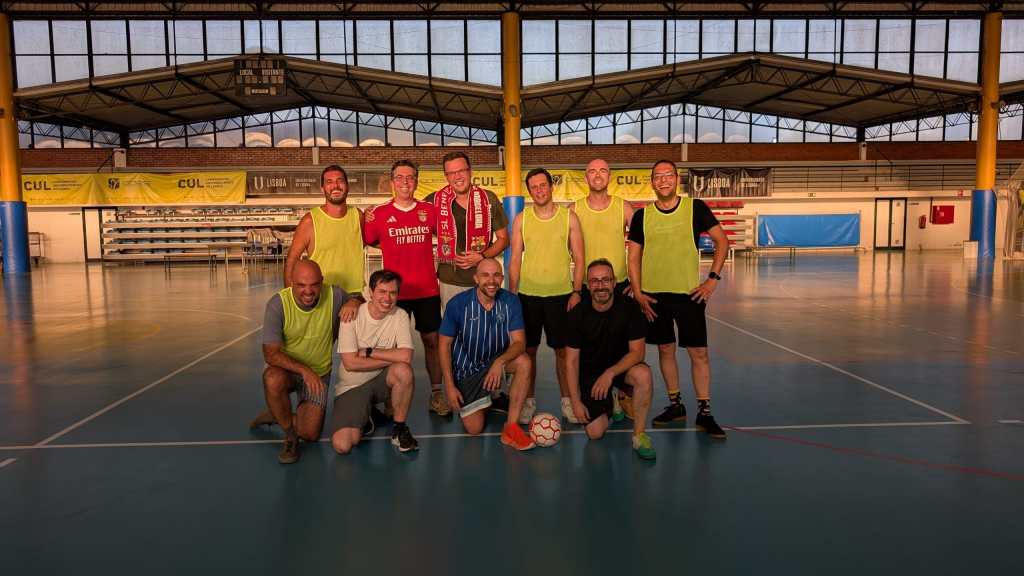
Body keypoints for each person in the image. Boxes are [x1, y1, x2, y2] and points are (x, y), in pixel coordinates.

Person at [627, 159, 729, 439]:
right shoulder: (641, 216)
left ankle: (705, 412)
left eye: (668, 175)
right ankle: (676, 405)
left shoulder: (695, 208)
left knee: (699, 353)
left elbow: (723, 241)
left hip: (688, 295)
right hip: (653, 297)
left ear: (676, 179)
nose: (663, 180)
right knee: (665, 350)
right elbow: (633, 257)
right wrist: (637, 292)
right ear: (652, 182)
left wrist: (712, 280)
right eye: (657, 176)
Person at [252, 259, 360, 464]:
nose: (308, 291)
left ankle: (277, 414)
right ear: (291, 282)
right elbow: (271, 354)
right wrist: (304, 371)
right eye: (301, 285)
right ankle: (290, 436)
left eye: (314, 285)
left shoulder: (335, 295)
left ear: (322, 281)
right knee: (272, 378)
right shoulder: (278, 304)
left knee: (310, 434)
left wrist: (355, 301)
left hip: (319, 373)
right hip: (289, 371)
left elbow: (362, 301)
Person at [363, 160, 449, 417]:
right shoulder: (377, 214)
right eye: (400, 177)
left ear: (416, 181)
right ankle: (389, 397)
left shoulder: (429, 210)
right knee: (390, 346)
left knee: (432, 342)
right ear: (392, 182)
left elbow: (447, 235)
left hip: (426, 291)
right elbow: (369, 240)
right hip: (393, 294)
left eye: (410, 177)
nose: (405, 182)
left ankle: (436, 394)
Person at [508, 168, 584, 425]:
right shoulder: (522, 219)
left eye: (543, 185)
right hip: (528, 296)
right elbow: (515, 258)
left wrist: (577, 290)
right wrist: (513, 294)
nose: (539, 190)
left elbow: (580, 258)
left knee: (563, 353)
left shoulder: (569, 218)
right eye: (534, 187)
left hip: (561, 296)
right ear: (529, 191)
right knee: (527, 352)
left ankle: (568, 401)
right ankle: (527, 401)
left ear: (551, 187)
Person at [438, 258, 536, 450]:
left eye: (496, 275)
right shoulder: (458, 304)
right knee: (474, 429)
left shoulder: (510, 301)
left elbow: (519, 343)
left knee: (524, 362)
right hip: (468, 371)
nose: (491, 281)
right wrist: (449, 386)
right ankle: (486, 399)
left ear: (502, 278)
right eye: (485, 275)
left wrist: (499, 362)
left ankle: (511, 427)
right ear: (476, 278)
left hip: (496, 363)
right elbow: (444, 346)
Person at [565, 259, 656, 459]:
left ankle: (639, 435)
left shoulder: (630, 308)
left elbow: (638, 353)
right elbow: (571, 362)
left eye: (605, 280)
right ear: (587, 286)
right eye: (595, 281)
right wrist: (575, 401)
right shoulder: (577, 314)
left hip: (620, 368)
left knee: (643, 374)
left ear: (614, 283)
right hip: (591, 373)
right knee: (595, 433)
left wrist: (610, 373)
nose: (601, 286)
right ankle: (612, 401)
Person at [330, 269, 419, 454]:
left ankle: (399, 428)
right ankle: (367, 414)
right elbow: (350, 364)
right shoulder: (351, 315)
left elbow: (406, 357)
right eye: (382, 291)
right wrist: (390, 356)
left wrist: (369, 352)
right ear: (370, 293)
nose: (387, 298)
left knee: (403, 371)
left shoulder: (400, 315)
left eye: (393, 292)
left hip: (383, 381)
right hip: (352, 385)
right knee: (343, 445)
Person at [424, 151, 508, 311]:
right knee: (454, 329)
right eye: (451, 173)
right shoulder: (434, 200)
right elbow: (409, 213)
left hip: (483, 279)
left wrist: (482, 257)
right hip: (449, 280)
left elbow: (504, 239)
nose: (457, 176)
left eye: (461, 171)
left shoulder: (488, 199)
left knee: (483, 328)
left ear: (470, 171)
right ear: (446, 176)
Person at [285, 164, 365, 296]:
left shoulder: (358, 215)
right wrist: (289, 298)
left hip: (354, 295)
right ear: (322, 189)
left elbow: (369, 241)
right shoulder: (309, 221)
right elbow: (292, 260)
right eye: (329, 182)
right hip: (323, 295)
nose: (335, 186)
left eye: (340, 180)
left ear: (348, 186)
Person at [573, 158, 635, 294]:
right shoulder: (573, 210)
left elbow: (641, 246)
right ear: (586, 178)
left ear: (609, 176)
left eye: (602, 171)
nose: (597, 175)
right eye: (592, 171)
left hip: (619, 284)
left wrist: (637, 282)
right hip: (585, 284)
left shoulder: (625, 207)